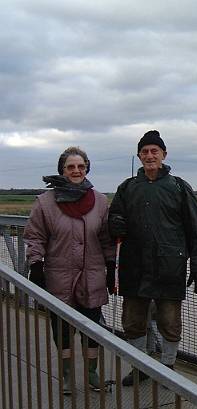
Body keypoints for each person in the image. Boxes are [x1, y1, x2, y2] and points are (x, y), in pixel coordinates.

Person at [108, 130, 197, 386]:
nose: (149, 155)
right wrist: (116, 223)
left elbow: (196, 228)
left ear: (164, 154)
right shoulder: (127, 187)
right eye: (145, 151)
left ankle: (167, 367)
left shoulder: (178, 187)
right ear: (139, 156)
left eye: (155, 151)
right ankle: (140, 366)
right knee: (132, 321)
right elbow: (114, 217)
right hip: (134, 266)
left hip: (169, 265)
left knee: (170, 321)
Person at [24, 146, 115, 394]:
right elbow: (35, 236)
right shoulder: (45, 202)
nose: (76, 171)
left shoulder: (100, 201)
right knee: (62, 329)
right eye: (70, 167)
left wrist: (111, 266)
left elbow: (106, 238)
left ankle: (92, 374)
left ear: (87, 169)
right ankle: (66, 376)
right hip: (59, 274)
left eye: (81, 166)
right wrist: (36, 265)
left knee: (93, 327)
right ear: (62, 171)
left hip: (92, 274)